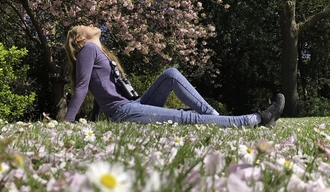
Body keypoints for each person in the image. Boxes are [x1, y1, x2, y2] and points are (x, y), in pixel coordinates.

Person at [64, 24, 285, 127]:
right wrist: (67, 121)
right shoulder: (88, 50)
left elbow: (101, 90)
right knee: (186, 117)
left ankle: (216, 118)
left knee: (171, 74)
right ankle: (255, 120)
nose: (91, 24)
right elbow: (83, 86)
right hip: (124, 112)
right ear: (80, 39)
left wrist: (94, 120)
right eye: (84, 26)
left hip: (132, 104)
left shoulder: (98, 52)